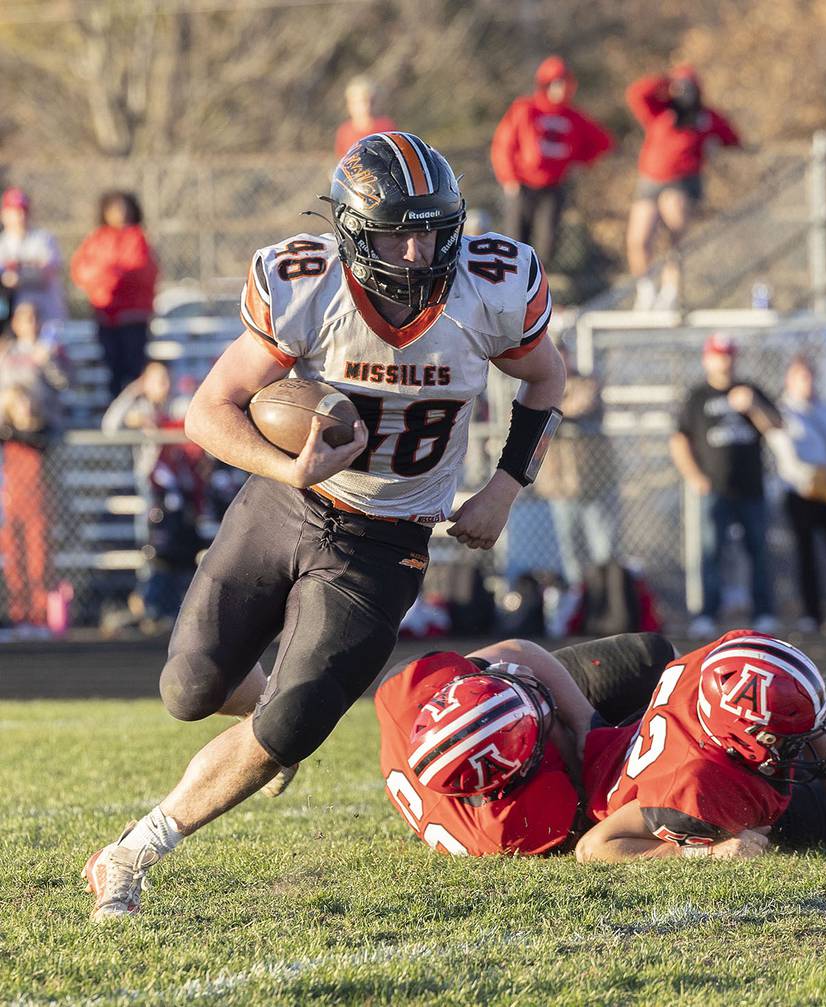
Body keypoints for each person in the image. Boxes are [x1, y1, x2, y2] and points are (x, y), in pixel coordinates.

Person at [84, 131, 568, 921]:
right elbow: (209, 412)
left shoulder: (492, 284)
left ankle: (133, 850)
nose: (416, 253)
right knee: (188, 688)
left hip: (387, 538)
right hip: (287, 503)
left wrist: (506, 487)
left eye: (432, 230)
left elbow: (547, 375)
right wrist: (288, 469)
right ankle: (266, 706)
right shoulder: (305, 283)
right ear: (349, 231)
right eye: (395, 234)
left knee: (296, 721)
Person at [575, 630, 826, 861]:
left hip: (643, 740)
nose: (817, 738)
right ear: (744, 740)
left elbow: (819, 735)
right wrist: (702, 853)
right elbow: (593, 847)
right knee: (794, 820)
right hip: (640, 786)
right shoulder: (692, 789)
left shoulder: (732, 658)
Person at [377, 634, 672, 856]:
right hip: (543, 795)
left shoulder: (407, 690)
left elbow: (517, 651)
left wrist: (586, 722)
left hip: (494, 726)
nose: (533, 686)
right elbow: (600, 821)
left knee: (652, 657)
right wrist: (593, 746)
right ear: (522, 774)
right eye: (543, 722)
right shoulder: (515, 822)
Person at [670, 333, 780, 636]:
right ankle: (707, 613)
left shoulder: (751, 391)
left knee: (758, 550)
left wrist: (752, 406)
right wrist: (695, 477)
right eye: (719, 354)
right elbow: (680, 440)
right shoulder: (697, 397)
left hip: (751, 488)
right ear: (708, 359)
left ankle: (764, 612)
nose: (725, 360)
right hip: (714, 489)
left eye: (729, 354)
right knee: (710, 553)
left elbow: (775, 427)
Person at [625, 66, 740, 310]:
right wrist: (666, 81)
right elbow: (636, 94)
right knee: (639, 238)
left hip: (682, 182)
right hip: (651, 179)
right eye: (680, 88)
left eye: (688, 88)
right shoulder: (661, 111)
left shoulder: (705, 117)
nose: (684, 93)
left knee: (674, 230)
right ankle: (645, 288)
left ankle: (670, 292)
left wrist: (712, 146)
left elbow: (732, 138)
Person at [769, 355, 826, 631]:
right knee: (806, 554)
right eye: (801, 377)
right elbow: (786, 453)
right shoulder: (784, 414)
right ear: (790, 380)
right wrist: (812, 474)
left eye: (810, 377)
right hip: (801, 492)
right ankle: (811, 613)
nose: (807, 383)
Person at [491, 56, 613, 266]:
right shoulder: (525, 109)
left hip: (553, 187)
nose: (562, 90)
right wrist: (509, 178)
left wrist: (579, 162)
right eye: (557, 84)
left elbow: (602, 142)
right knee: (514, 243)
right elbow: (503, 145)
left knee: (547, 242)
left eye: (566, 84)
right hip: (522, 186)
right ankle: (510, 291)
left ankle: (535, 288)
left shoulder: (573, 116)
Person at [0, 299, 66, 637]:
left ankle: (40, 614)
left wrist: (46, 363)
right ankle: (19, 611)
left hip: (39, 449)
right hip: (13, 448)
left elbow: (63, 384)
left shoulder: (49, 351)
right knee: (13, 540)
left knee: (38, 540)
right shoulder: (8, 356)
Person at [533, 348, 616, 585]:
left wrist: (553, 405)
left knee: (603, 549)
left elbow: (580, 404)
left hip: (594, 483)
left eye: (563, 355)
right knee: (570, 551)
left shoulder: (586, 381)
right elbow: (535, 409)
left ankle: (607, 595)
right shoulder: (538, 382)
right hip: (560, 486)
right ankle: (579, 600)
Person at [70, 191, 159, 399]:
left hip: (132, 315)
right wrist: (109, 277)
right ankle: (114, 408)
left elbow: (142, 271)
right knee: (112, 364)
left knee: (134, 364)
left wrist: (114, 274)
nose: (119, 213)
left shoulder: (137, 237)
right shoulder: (97, 239)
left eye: (123, 207)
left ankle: (135, 408)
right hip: (106, 313)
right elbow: (82, 270)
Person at [0, 188, 66, 333]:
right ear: (4, 214)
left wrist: (18, 278)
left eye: (24, 210)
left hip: (48, 316)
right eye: (15, 211)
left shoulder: (44, 239)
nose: (20, 216)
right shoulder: (2, 243)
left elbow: (44, 275)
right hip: (15, 321)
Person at [333, 77, 397, 157]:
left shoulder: (386, 127)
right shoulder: (345, 131)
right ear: (349, 104)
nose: (367, 107)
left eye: (371, 102)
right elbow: (341, 160)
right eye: (360, 102)